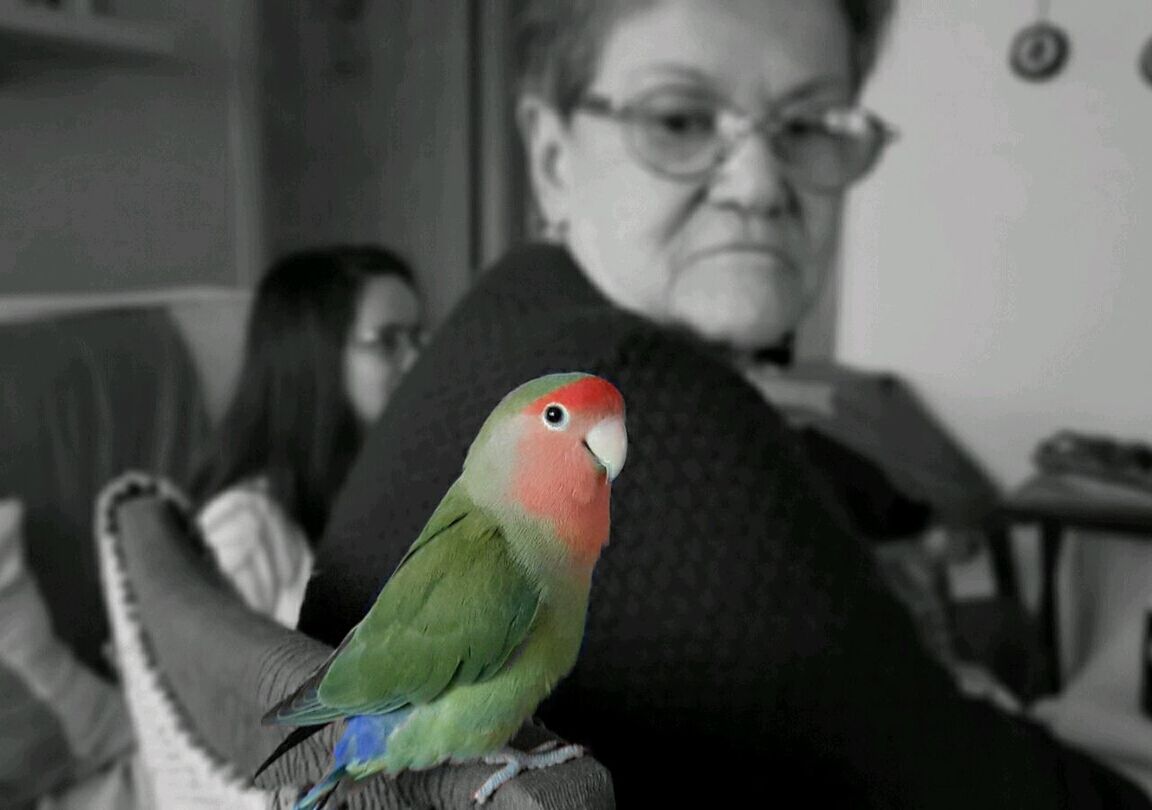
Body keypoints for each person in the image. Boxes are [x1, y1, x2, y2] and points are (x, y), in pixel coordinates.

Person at [294, 1, 1152, 806]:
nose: (759, 185)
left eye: (810, 125)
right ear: (552, 155)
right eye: (678, 119)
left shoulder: (512, 312)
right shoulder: (648, 405)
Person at [191, 245, 423, 628]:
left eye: (418, 338)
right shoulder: (246, 532)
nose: (417, 361)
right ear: (315, 356)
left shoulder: (399, 488)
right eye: (387, 341)